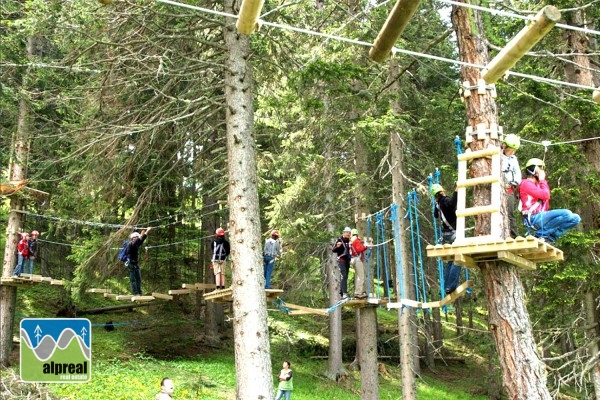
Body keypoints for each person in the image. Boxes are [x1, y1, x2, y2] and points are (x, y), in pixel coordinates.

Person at [518, 158, 580, 244]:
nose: (543, 172)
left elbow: (546, 201)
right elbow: (545, 195)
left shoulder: (537, 185)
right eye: (540, 169)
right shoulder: (526, 183)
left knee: (575, 218)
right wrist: (542, 180)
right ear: (534, 170)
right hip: (533, 217)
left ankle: (549, 237)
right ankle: (540, 235)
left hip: (540, 216)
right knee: (567, 213)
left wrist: (541, 182)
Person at [431, 184, 462, 295]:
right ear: (442, 191)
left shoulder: (437, 204)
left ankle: (446, 286)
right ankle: (451, 286)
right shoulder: (445, 200)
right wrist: (456, 191)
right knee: (458, 258)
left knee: (450, 259)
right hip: (453, 233)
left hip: (446, 235)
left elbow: (435, 215)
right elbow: (452, 204)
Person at [501, 134, 522, 238]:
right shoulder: (499, 156)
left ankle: (514, 235)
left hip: (510, 188)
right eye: (511, 150)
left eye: (514, 150)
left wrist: (516, 182)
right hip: (500, 186)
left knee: (510, 212)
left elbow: (518, 173)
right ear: (505, 147)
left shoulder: (513, 159)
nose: (512, 152)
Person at [125, 227, 152, 295]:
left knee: (138, 279)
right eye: (135, 237)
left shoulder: (136, 244)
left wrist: (147, 231)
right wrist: (140, 236)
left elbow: (142, 239)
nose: (137, 238)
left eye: (137, 237)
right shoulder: (130, 244)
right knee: (133, 280)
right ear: (132, 238)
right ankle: (136, 293)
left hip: (135, 264)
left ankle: (139, 292)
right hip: (130, 263)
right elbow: (137, 241)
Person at [332, 227, 352, 299]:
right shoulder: (339, 240)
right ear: (344, 232)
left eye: (349, 233)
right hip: (341, 260)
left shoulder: (350, 241)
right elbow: (333, 250)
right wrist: (338, 246)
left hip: (347, 260)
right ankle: (344, 293)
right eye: (347, 232)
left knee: (345, 276)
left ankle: (341, 292)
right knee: (344, 276)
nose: (348, 234)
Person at [350, 228, 368, 299]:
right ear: (357, 234)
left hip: (352, 259)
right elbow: (359, 249)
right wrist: (365, 246)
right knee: (361, 276)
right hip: (357, 259)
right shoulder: (356, 240)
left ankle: (358, 292)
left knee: (357, 276)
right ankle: (358, 293)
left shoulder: (351, 241)